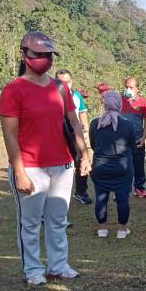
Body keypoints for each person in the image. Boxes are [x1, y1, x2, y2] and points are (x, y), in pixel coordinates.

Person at [0, 31, 90, 286]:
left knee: (58, 220)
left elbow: (74, 123)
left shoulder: (59, 88)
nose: (44, 59)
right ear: (24, 55)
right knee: (29, 223)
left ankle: (58, 265)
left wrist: (84, 154)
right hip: (30, 167)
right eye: (38, 54)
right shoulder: (13, 90)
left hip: (62, 165)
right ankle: (33, 270)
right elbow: (9, 134)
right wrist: (19, 172)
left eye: (48, 55)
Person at [90, 91, 137, 239]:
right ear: (119, 104)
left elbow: (93, 144)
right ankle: (122, 230)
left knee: (101, 198)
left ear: (105, 104)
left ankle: (102, 229)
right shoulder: (128, 125)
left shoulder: (95, 123)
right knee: (123, 199)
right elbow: (133, 147)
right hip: (122, 167)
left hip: (100, 166)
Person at [55, 69, 92, 205]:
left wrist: (86, 131)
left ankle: (81, 192)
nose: (65, 84)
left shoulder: (77, 96)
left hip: (74, 133)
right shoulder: (49, 95)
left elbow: (82, 113)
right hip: (57, 134)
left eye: (68, 81)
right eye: (62, 82)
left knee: (81, 160)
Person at [121, 77, 146, 198]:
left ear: (137, 89)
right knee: (123, 165)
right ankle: (122, 189)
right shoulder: (119, 100)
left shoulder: (143, 102)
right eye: (127, 87)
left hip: (138, 140)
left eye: (131, 87)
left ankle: (139, 188)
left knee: (138, 165)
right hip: (122, 141)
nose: (128, 89)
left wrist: (143, 138)